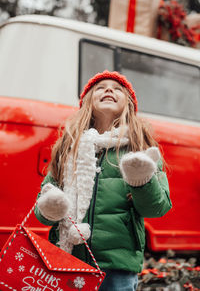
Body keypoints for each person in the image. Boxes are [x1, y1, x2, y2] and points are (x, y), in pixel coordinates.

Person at [34, 70, 172, 291]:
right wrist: (50, 208)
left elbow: (157, 208)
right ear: (88, 101)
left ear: (129, 104)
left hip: (115, 265)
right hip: (65, 261)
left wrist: (142, 181)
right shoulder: (68, 148)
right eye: (101, 87)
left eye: (118, 89)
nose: (109, 90)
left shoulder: (140, 149)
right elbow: (42, 215)